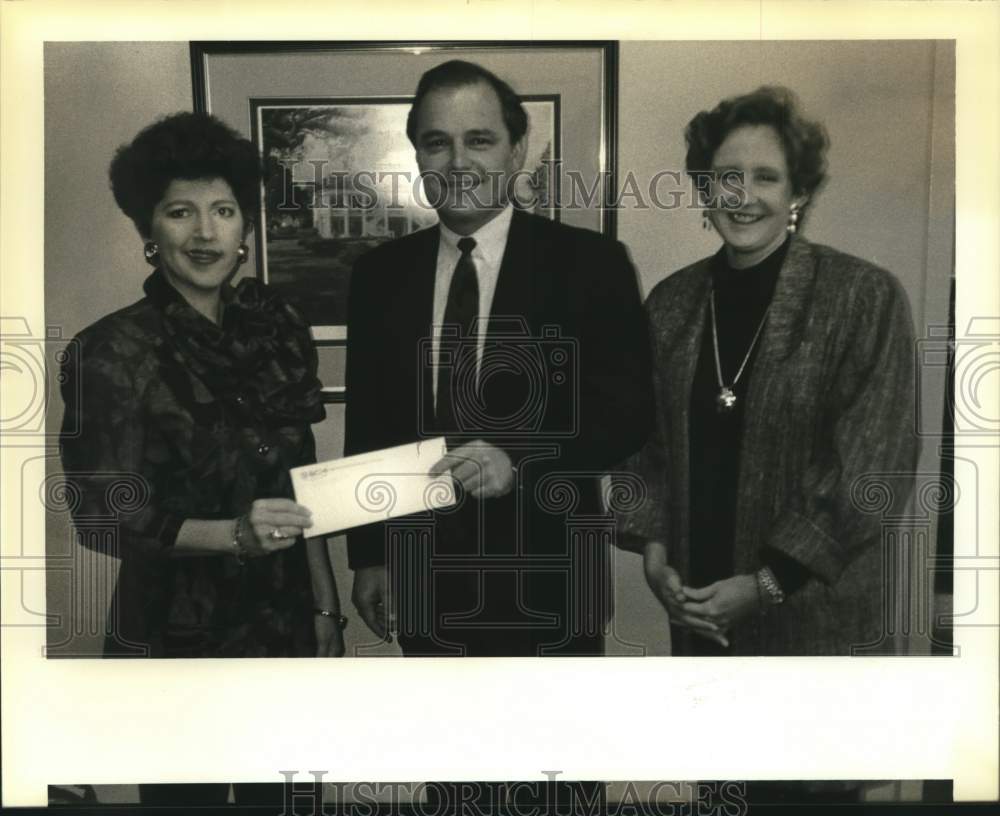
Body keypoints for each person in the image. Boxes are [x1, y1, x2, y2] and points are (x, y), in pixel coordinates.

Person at [344, 60, 654, 658]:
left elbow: (629, 412)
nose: (458, 163)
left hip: (549, 575)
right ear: (417, 157)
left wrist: (521, 459)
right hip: (423, 575)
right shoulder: (379, 276)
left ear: (516, 152)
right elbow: (370, 422)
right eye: (437, 143)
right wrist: (370, 554)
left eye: (479, 140)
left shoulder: (591, 264)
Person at [619, 86, 917, 658]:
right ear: (705, 191)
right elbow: (645, 446)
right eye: (726, 176)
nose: (743, 196)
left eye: (766, 177)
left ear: (798, 192)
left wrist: (766, 584)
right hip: (699, 604)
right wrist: (655, 558)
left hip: (814, 615)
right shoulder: (671, 303)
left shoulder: (862, 296)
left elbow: (868, 469)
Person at [59, 112, 345, 663]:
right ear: (148, 229)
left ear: (245, 228)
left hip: (286, 620)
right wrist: (234, 535)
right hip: (177, 631)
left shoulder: (274, 331)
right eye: (180, 212)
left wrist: (325, 608)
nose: (206, 233)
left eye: (223, 211)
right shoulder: (111, 350)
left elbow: (301, 487)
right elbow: (103, 515)